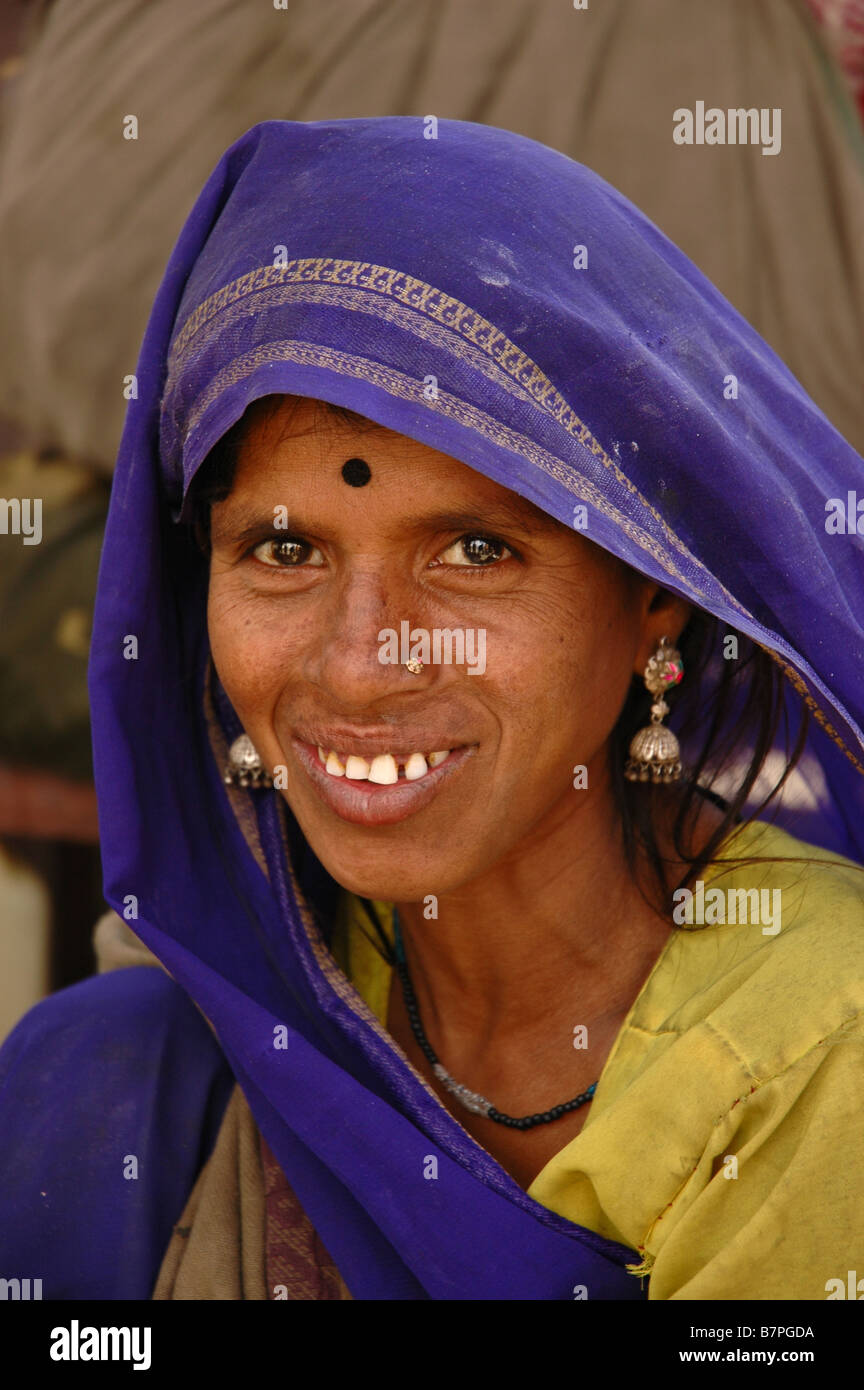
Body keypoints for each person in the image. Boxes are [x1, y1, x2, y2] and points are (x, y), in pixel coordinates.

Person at [0, 117, 862, 1301]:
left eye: (474, 550)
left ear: (656, 602)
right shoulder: (206, 1037)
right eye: (285, 548)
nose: (360, 665)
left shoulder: (820, 1053)